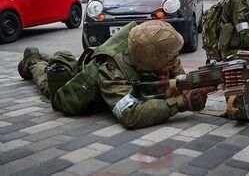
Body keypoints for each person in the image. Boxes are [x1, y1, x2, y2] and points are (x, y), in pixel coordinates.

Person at [18, 20, 213, 129]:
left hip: (114, 71)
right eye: (171, 58)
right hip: (84, 90)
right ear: (153, 60)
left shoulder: (161, 52)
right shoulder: (111, 70)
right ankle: (34, 62)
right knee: (49, 87)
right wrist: (180, 103)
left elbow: (176, 80)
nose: (175, 61)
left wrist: (196, 86)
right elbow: (129, 114)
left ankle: (46, 59)